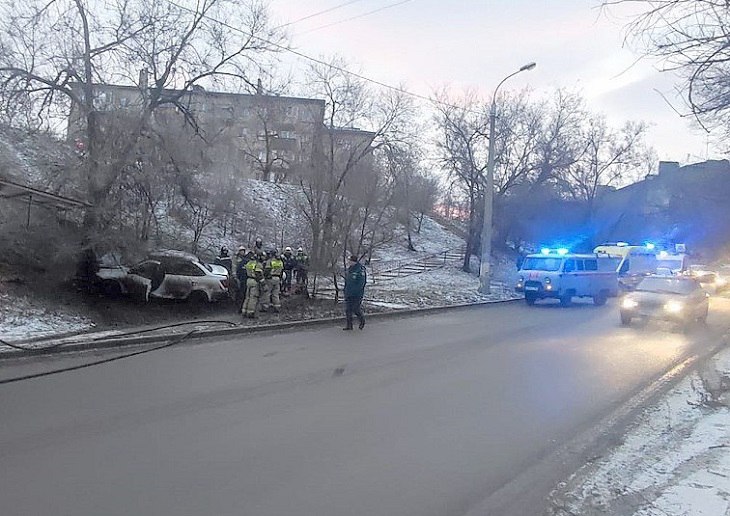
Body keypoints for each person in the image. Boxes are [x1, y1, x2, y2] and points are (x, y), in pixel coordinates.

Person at [343, 254, 367, 331]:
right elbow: (347, 281)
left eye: (350, 261)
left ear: (354, 262)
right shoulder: (350, 270)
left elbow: (361, 283)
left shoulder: (360, 270)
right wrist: (345, 290)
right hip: (348, 293)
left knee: (355, 309)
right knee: (348, 310)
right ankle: (349, 325)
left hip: (357, 294)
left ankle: (362, 321)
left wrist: (355, 291)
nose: (349, 262)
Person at [241, 251, 264, 319]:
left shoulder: (249, 263)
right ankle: (250, 312)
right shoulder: (258, 264)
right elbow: (258, 274)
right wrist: (263, 284)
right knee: (253, 297)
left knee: (247, 297)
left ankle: (244, 311)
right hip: (254, 281)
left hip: (248, 280)